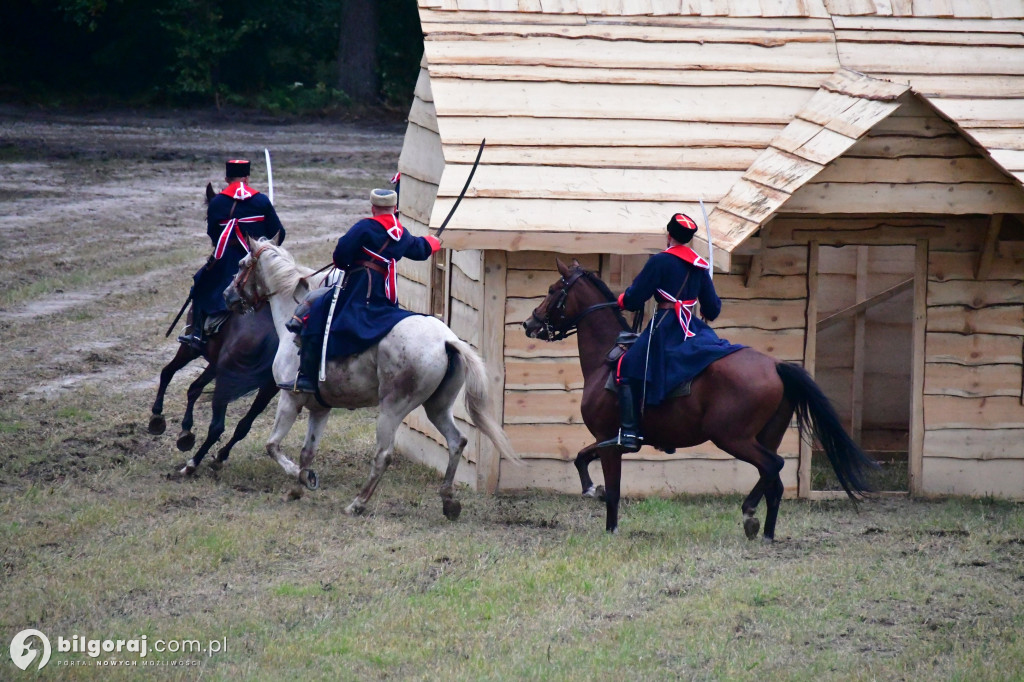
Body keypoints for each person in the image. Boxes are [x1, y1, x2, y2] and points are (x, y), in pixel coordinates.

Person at [282, 188, 441, 393]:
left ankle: (306, 376)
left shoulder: (365, 227)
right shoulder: (401, 233)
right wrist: (434, 242)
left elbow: (341, 255)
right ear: (394, 209)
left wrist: (346, 263)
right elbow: (419, 249)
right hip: (383, 292)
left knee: (319, 308)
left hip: (358, 286)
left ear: (373, 208)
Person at [610, 213, 745, 452]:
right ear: (689, 240)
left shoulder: (659, 261)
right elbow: (713, 309)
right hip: (692, 328)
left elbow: (634, 299)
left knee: (625, 367)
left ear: (669, 235)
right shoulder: (699, 265)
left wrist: (621, 301)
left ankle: (630, 432)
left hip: (665, 326)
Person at [179, 159, 286, 350]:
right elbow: (279, 233)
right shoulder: (261, 200)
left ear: (227, 178)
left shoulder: (217, 202)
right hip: (258, 260)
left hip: (227, 260)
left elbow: (213, 233)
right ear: (247, 177)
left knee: (201, 283)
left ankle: (196, 333)